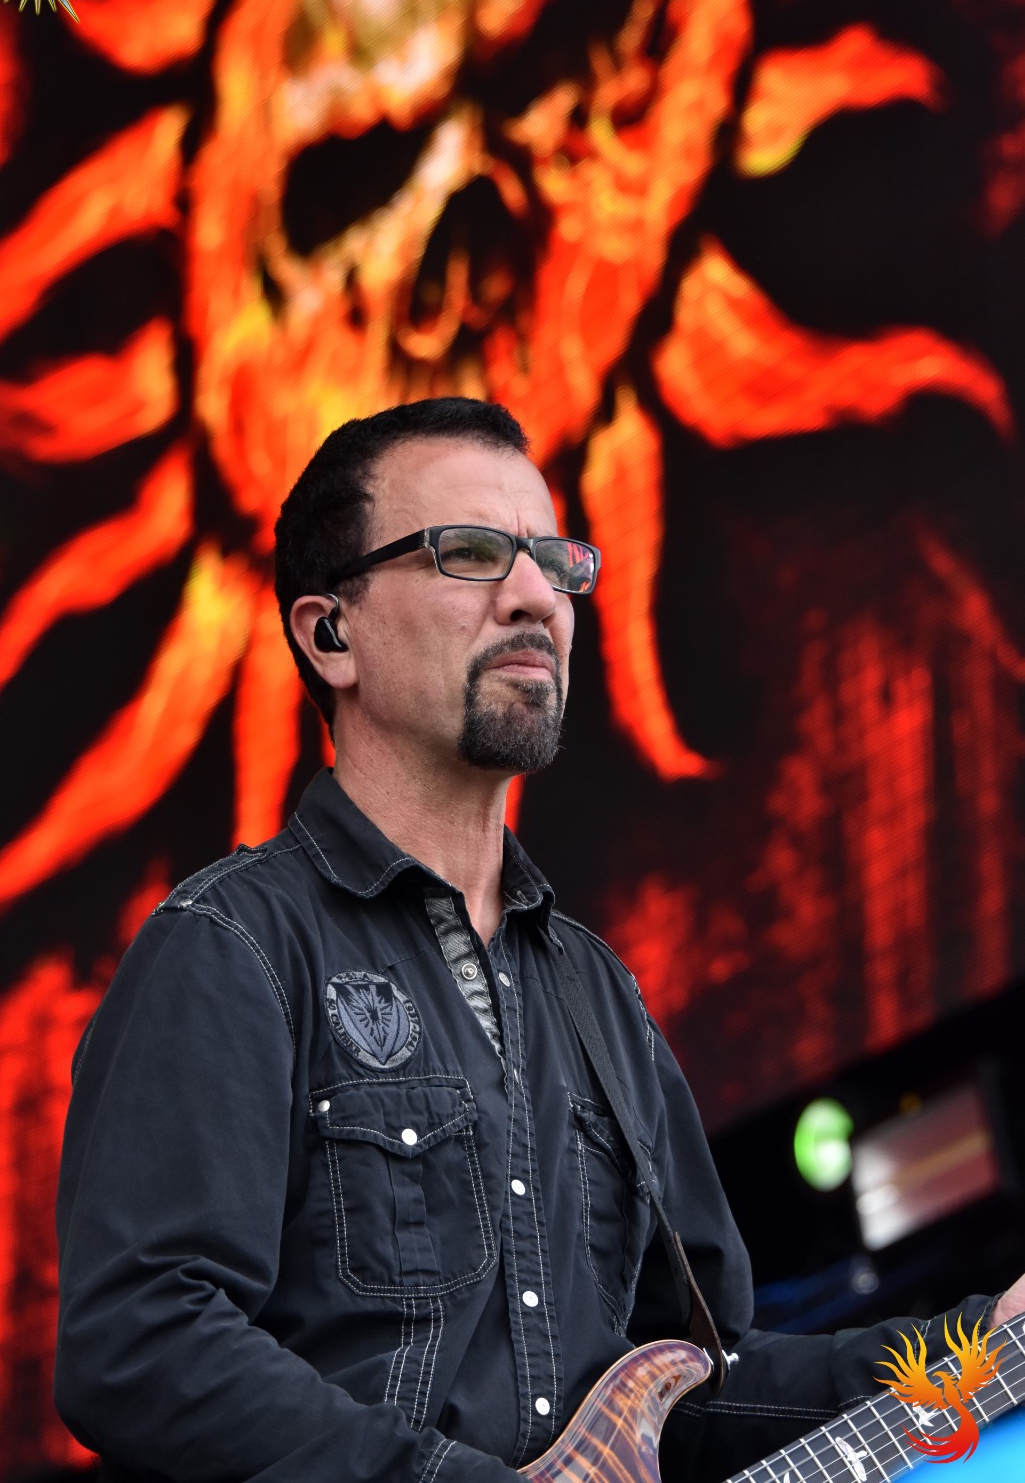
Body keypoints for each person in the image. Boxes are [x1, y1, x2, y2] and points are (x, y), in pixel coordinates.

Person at [55, 396, 1024, 1483]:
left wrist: (986, 1349)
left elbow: (706, 1390)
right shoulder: (231, 947)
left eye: (554, 562)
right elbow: (141, 1341)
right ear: (331, 634)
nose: (534, 597)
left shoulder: (596, 993)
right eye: (470, 554)